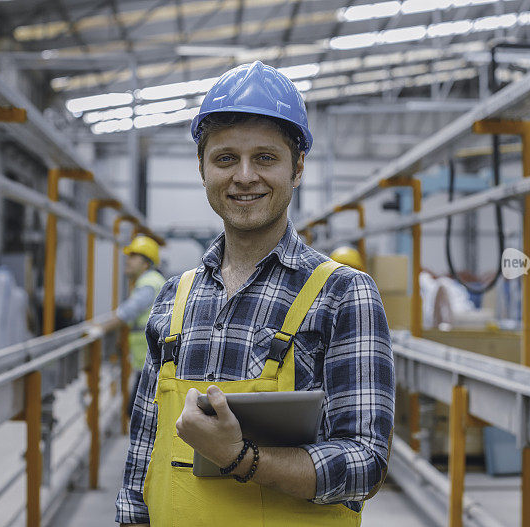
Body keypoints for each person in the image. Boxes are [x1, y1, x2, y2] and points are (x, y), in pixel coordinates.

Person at [116, 60, 394, 526]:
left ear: (297, 167)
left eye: (265, 157)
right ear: (203, 168)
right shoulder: (172, 298)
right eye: (225, 158)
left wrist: (241, 457)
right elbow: (143, 452)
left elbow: (365, 464)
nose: (244, 176)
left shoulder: (344, 294)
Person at [115, 235, 166, 416]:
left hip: (152, 363)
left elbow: (127, 313)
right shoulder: (149, 281)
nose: (127, 261)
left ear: (145, 263)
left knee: (138, 413)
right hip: (148, 362)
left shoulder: (149, 283)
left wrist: (96, 328)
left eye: (133, 256)